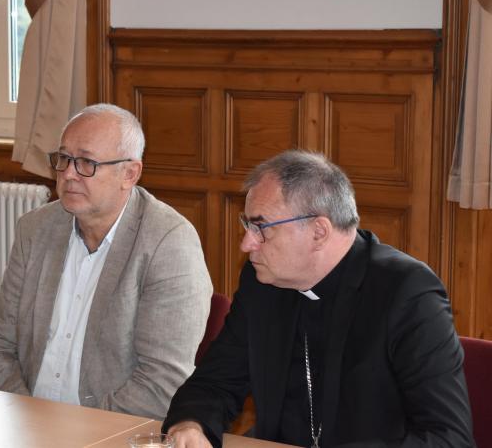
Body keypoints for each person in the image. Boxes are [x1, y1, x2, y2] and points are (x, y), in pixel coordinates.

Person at [163, 150, 473, 447]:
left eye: (261, 228)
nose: (247, 244)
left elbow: (449, 438)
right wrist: (191, 423)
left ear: (319, 232)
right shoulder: (263, 283)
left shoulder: (406, 293)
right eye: (248, 225)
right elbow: (216, 380)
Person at [0, 103, 212, 419]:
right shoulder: (35, 229)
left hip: (113, 431)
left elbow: (162, 381)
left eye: (86, 163)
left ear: (129, 174)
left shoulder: (168, 242)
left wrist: (81, 433)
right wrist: (27, 418)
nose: (69, 174)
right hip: (27, 422)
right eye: (64, 159)